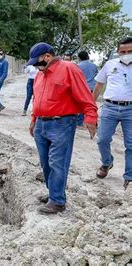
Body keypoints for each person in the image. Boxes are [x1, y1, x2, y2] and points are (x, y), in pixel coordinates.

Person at [27, 42, 98, 214]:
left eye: (37, 62)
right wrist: (34, 119)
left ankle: (58, 201)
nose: (36, 66)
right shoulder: (39, 75)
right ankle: (54, 193)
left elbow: (85, 95)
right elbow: (37, 99)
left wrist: (91, 117)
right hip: (41, 124)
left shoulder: (69, 69)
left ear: (47, 56)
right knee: (46, 163)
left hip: (62, 123)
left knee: (57, 162)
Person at [92, 37, 132, 191]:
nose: (126, 54)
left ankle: (129, 177)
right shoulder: (109, 65)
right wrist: (90, 106)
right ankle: (107, 162)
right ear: (118, 52)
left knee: (131, 144)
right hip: (109, 107)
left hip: (130, 109)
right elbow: (99, 84)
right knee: (102, 139)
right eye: (123, 51)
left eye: (130, 51)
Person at [77, 51, 98, 127]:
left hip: (83, 88)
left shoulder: (78, 66)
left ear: (79, 57)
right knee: (92, 105)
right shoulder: (94, 66)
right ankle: (94, 121)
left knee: (81, 105)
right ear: (87, 56)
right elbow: (97, 76)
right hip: (92, 87)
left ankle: (80, 122)